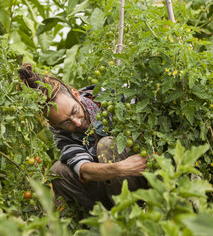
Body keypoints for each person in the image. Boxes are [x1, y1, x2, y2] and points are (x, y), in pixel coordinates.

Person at [18, 63, 148, 211]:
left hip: (144, 174)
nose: (77, 122)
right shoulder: (63, 135)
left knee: (107, 145)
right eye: (66, 122)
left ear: (75, 93)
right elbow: (83, 170)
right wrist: (120, 168)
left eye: (74, 111)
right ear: (52, 124)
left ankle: (139, 211)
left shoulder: (110, 96)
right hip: (113, 187)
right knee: (58, 172)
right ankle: (111, 218)